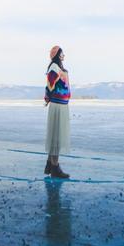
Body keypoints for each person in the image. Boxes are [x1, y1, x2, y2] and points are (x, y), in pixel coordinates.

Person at [44, 45, 71, 178]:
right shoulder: (54, 67)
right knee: (56, 137)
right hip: (57, 106)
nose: (64, 55)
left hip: (61, 105)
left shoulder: (58, 67)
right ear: (57, 54)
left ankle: (50, 164)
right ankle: (55, 167)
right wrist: (48, 97)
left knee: (56, 135)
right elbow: (50, 84)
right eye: (62, 53)